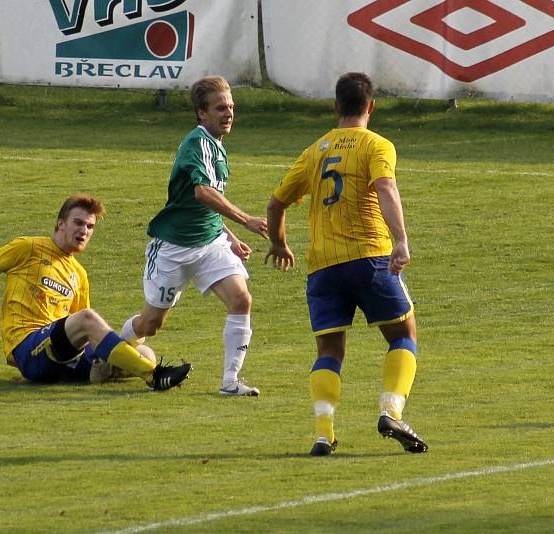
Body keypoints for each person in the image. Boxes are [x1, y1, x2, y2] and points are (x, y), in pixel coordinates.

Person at [265, 72, 427, 456]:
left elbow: (275, 204)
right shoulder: (377, 145)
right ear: (371, 106)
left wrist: (279, 243)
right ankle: (391, 411)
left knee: (329, 352)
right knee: (404, 335)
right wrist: (400, 241)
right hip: (370, 258)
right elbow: (385, 187)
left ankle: (324, 433)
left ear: (336, 106)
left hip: (322, 268)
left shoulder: (315, 151)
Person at [0, 194, 191, 390]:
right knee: (91, 321)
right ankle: (154, 377)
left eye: (90, 227)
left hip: (61, 357)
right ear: (61, 223)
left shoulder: (78, 274)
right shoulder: (28, 247)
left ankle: (107, 370)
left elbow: (80, 330)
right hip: (29, 349)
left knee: (145, 351)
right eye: (78, 223)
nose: (84, 231)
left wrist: (99, 352)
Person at [120, 75, 268, 396]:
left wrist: (227, 236)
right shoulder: (198, 143)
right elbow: (202, 193)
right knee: (150, 325)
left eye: (231, 107)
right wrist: (245, 220)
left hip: (210, 243)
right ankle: (114, 351)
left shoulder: (216, 145)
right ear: (201, 113)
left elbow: (202, 202)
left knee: (241, 299)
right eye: (220, 108)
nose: (228, 113)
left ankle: (230, 381)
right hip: (174, 247)